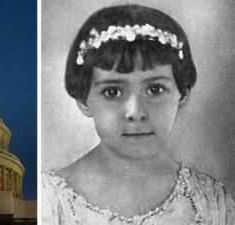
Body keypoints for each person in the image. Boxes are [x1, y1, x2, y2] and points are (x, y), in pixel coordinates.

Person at [42, 4, 235, 225]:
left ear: (182, 94)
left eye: (155, 90)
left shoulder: (211, 202)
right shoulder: (50, 203)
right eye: (112, 91)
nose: (136, 112)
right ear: (84, 100)